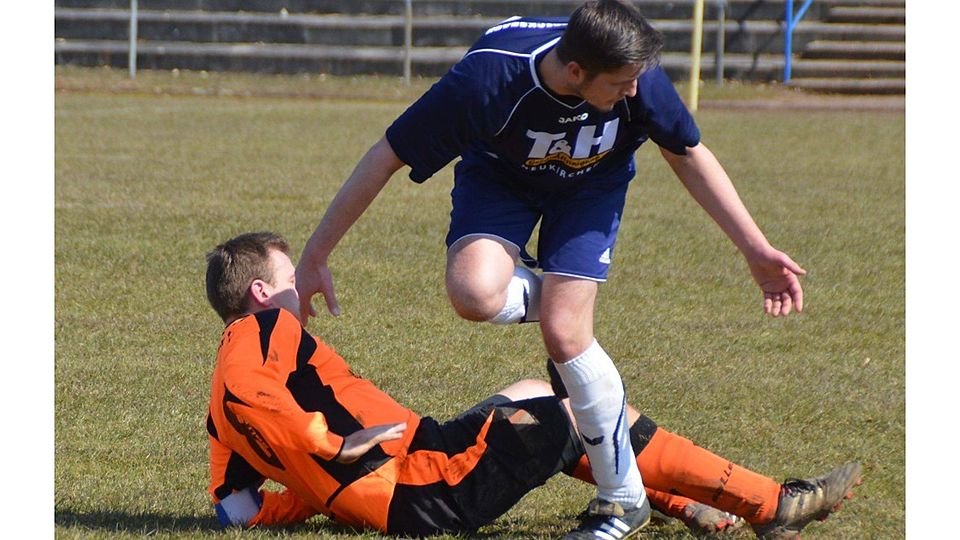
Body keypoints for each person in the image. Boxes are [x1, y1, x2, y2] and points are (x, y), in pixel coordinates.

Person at [294, 2, 806, 537]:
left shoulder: (635, 74)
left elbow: (687, 152)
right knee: (473, 294)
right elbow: (387, 154)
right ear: (576, 72)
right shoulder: (486, 79)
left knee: (564, 333)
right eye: (621, 84)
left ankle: (622, 501)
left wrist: (756, 249)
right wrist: (315, 256)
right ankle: (569, 306)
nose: (632, 92)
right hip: (500, 178)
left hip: (593, 186)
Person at [205, 232, 859, 540]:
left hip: (417, 465)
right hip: (418, 486)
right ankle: (771, 503)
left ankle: (691, 506)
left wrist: (325, 494)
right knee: (575, 415)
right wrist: (329, 449)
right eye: (293, 276)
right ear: (262, 293)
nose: (305, 285)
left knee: (536, 395)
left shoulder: (234, 381)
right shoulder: (261, 334)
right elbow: (256, 403)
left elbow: (236, 508)